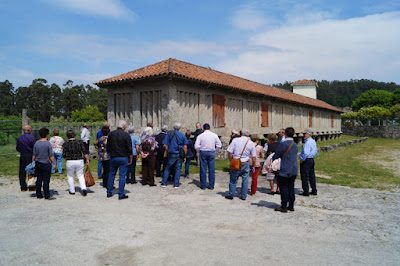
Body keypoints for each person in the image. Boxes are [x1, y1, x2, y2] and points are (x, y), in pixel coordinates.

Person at [272, 127, 298, 212]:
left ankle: (283, 206)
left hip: (284, 169)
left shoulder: (283, 144)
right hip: (293, 169)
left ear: (285, 134)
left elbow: (276, 155)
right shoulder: (294, 144)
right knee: (291, 187)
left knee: (284, 188)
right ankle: (291, 205)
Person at [225, 128, 256, 200]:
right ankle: (243, 196)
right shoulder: (251, 143)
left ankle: (231, 194)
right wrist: (253, 165)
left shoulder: (235, 140)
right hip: (245, 162)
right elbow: (254, 157)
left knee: (233, 179)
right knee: (245, 180)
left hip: (236, 161)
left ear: (241, 133)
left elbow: (230, 152)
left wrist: (231, 160)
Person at [106, 120, 133, 200]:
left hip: (113, 157)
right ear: (123, 126)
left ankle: (109, 192)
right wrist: (130, 158)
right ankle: (121, 194)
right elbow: (129, 148)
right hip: (123, 157)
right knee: (122, 176)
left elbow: (108, 146)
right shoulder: (126, 135)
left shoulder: (111, 134)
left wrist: (110, 153)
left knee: (111, 175)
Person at [194, 123, 222, 189]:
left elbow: (196, 146)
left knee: (203, 169)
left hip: (203, 151)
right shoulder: (214, 135)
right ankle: (211, 185)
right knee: (211, 169)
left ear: (203, 128)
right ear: (209, 128)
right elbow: (219, 145)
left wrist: (199, 151)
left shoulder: (200, 136)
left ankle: (203, 185)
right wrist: (215, 150)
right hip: (211, 151)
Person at [62, 130, 90, 196]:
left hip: (70, 161)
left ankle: (72, 190)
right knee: (80, 175)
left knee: (70, 176)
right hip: (79, 160)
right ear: (74, 135)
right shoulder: (79, 142)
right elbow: (84, 151)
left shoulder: (66, 143)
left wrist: (65, 158)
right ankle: (83, 188)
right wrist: (87, 159)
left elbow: (63, 154)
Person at [161, 122, 188, 188]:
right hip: (180, 153)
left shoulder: (169, 134)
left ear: (173, 127)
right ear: (180, 128)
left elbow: (165, 145)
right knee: (178, 169)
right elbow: (185, 147)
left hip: (172, 153)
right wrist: (185, 156)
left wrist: (168, 151)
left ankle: (164, 183)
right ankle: (176, 184)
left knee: (168, 168)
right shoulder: (182, 135)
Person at [32, 128, 56, 200]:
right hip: (46, 163)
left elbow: (34, 154)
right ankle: (47, 195)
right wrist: (54, 164)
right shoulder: (48, 143)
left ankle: (38, 194)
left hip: (38, 163)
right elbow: (51, 155)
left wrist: (33, 162)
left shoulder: (36, 143)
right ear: (47, 134)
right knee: (46, 180)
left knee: (39, 179)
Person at [16, 125, 36, 191]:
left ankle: (23, 186)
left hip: (22, 155)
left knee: (22, 171)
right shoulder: (32, 138)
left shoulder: (19, 138)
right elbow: (34, 148)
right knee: (31, 170)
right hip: (30, 155)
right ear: (29, 130)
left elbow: (17, 148)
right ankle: (31, 186)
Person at [300, 128, 318, 196]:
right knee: (312, 176)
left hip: (306, 160)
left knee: (304, 176)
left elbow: (306, 153)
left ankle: (306, 191)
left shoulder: (307, 142)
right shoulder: (313, 141)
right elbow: (315, 151)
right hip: (311, 159)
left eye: (305, 134)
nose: (303, 135)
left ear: (309, 134)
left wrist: (302, 159)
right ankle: (314, 190)